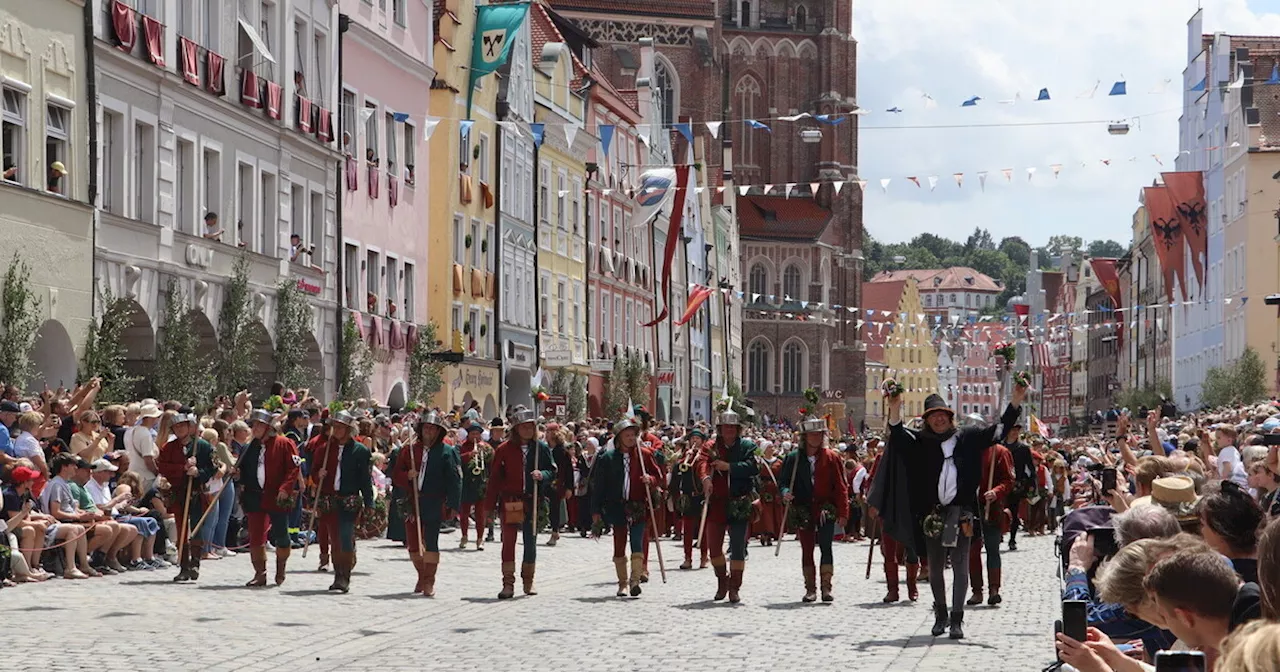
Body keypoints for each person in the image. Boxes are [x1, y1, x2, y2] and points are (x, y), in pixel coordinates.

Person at [869, 381, 1025, 641]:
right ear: (927, 421)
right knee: (936, 566)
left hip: (962, 511)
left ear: (950, 417)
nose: (938, 419)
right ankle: (940, 613)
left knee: (961, 565)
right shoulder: (920, 442)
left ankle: (957, 618)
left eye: (942, 415)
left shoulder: (969, 437)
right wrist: (895, 408)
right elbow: (896, 436)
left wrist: (1016, 400)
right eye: (933, 416)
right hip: (932, 514)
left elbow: (999, 430)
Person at [483, 407, 555, 599]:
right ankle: (508, 583)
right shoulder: (503, 450)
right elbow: (495, 479)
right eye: (523, 427)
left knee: (530, 542)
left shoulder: (541, 448)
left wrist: (543, 475)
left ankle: (528, 581)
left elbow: (552, 470)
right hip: (511, 501)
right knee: (509, 541)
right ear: (516, 429)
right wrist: (489, 507)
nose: (527, 431)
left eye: (530, 427)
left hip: (532, 500)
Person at [590, 416, 662, 597]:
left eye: (633, 435)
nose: (631, 438)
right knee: (619, 543)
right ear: (619, 437)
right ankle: (622, 583)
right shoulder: (607, 458)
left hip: (637, 505)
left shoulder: (644, 455)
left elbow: (658, 475)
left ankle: (635, 580)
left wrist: (650, 480)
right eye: (627, 435)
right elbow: (599, 486)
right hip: (616, 505)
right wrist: (596, 510)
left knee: (637, 541)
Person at [779, 417, 850, 603]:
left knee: (826, 547)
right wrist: (786, 493)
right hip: (803, 508)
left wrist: (843, 512)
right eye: (812, 434)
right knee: (807, 549)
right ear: (805, 436)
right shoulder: (794, 458)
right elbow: (784, 482)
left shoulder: (831, 457)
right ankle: (810, 588)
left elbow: (841, 486)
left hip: (825, 509)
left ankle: (826, 587)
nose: (816, 438)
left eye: (819, 434)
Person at [390, 411, 461, 597]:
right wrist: (407, 476)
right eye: (426, 428)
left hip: (434, 501)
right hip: (412, 501)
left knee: (431, 542)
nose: (429, 431)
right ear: (421, 429)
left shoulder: (447, 452)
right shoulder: (409, 451)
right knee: (413, 544)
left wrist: (453, 504)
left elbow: (454, 480)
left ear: (439, 431)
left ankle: (429, 580)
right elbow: (396, 474)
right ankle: (421, 575)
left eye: (433, 428)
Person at [696, 408, 758, 604]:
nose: (729, 430)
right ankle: (722, 581)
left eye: (732, 427)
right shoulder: (710, 446)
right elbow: (702, 463)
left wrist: (729, 467)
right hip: (717, 503)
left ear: (738, 429)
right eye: (726, 427)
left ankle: (735, 587)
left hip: (740, 502)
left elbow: (752, 467)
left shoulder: (747, 446)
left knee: (738, 548)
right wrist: (705, 478)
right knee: (714, 548)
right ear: (720, 429)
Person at [236, 410, 301, 587]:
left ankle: (281, 569)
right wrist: (238, 474)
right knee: (256, 536)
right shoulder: (249, 447)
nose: (254, 428)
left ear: (269, 427)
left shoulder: (285, 444)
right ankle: (260, 573)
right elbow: (245, 470)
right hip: (255, 496)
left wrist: (285, 488)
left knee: (281, 534)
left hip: (277, 497)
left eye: (259, 425)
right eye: (254, 425)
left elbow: (293, 469)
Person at [314, 411, 374, 594]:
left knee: (346, 536)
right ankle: (337, 574)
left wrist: (369, 502)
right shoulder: (324, 450)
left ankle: (344, 577)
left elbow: (365, 479)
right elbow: (314, 471)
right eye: (335, 426)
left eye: (340, 427)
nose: (337, 430)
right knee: (334, 539)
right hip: (329, 500)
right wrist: (318, 475)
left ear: (349, 429)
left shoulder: (360, 451)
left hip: (349, 500)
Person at [157, 412, 217, 582]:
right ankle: (183, 566)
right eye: (176, 427)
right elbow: (163, 467)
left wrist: (199, 472)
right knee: (181, 528)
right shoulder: (168, 448)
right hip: (178, 493)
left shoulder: (203, 446)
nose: (180, 429)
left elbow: (214, 466)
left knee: (197, 526)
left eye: (183, 425)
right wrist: (182, 468)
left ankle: (195, 563)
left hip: (197, 492)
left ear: (190, 427)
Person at [967, 427, 1015, 607]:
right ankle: (977, 591)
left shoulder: (1000, 452)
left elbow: (1009, 480)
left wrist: (996, 491)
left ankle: (994, 589)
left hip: (992, 508)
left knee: (993, 549)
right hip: (971, 507)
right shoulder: (967, 451)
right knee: (972, 552)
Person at [672, 429, 709, 569]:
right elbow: (678, 471)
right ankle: (688, 558)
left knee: (703, 528)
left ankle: (704, 557)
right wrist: (684, 458)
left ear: (702, 441)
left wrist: (700, 459)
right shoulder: (684, 457)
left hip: (701, 496)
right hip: (688, 497)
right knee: (687, 529)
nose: (695, 441)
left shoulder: (706, 456)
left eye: (697, 439)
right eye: (692, 438)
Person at [457, 421, 493, 551]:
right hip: (467, 482)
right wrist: (469, 455)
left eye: (477, 434)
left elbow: (492, 461)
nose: (475, 436)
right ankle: (464, 536)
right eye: (473, 434)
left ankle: (480, 539)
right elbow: (457, 460)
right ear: (468, 434)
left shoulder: (486, 446)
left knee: (480, 513)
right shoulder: (462, 446)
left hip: (481, 483)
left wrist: (487, 452)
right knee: (464, 512)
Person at [1005, 422, 1033, 551]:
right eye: (1012, 430)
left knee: (1014, 512)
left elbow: (1030, 467)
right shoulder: (1000, 446)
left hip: (1016, 484)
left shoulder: (1023, 448)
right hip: (1001, 482)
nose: (1014, 432)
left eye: (1017, 430)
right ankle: (999, 534)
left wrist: (1032, 483)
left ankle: (1012, 538)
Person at [125, 404, 163, 490]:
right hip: (145, 476)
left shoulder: (129, 431)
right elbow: (148, 459)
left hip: (132, 473)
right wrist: (157, 472)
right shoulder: (145, 434)